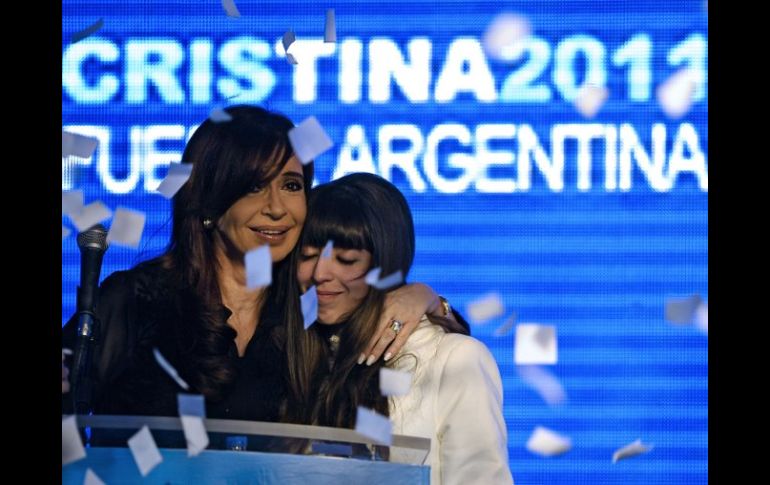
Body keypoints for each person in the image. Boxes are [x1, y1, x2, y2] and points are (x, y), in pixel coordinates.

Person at [61, 106, 458, 425]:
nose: (276, 208)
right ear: (209, 202)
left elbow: (433, 346)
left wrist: (425, 298)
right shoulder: (137, 301)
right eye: (254, 187)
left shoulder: (306, 307)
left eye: (291, 185)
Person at [287, 173, 513, 484]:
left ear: (387, 263)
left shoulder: (455, 359)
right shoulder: (293, 351)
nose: (320, 273)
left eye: (346, 259)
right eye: (308, 255)